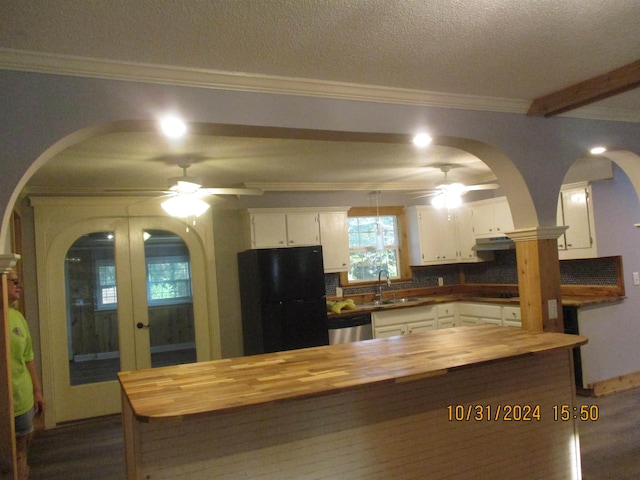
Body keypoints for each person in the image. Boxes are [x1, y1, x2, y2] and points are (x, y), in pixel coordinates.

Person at [6, 269, 45, 480]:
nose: (18, 285)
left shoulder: (17, 317)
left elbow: (28, 357)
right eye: (13, 281)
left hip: (22, 400)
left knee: (20, 454)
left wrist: (37, 391)